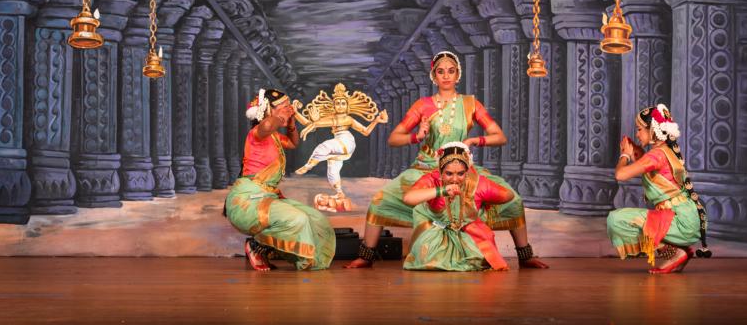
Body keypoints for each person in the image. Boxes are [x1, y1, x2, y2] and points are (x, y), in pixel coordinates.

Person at [345, 50, 547, 269]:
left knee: (513, 200)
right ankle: (366, 256)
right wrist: (417, 137)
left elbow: (499, 136)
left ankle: (525, 256)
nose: (446, 76)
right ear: (434, 76)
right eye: (440, 71)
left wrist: (474, 140)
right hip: (427, 168)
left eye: (451, 71)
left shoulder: (470, 104)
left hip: (460, 170)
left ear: (458, 74)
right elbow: (394, 139)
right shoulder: (423, 105)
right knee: (380, 201)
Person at [224, 88, 336, 271]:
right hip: (247, 202)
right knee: (297, 219)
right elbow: (267, 125)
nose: (289, 109)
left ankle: (264, 249)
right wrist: (280, 116)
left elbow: (293, 142)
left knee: (314, 219)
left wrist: (290, 123)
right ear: (268, 109)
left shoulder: (274, 136)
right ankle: (256, 246)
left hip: (266, 197)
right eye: (283, 106)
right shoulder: (257, 133)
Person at [607, 104, 712, 274]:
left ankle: (676, 253)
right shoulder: (665, 150)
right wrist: (635, 152)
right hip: (689, 218)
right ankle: (679, 252)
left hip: (681, 221)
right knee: (638, 220)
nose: (637, 134)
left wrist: (624, 155)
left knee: (616, 219)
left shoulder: (657, 155)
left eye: (639, 129)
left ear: (653, 130)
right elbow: (652, 172)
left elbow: (620, 175)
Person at [402, 142, 512, 271]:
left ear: (467, 172)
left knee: (479, 255)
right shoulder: (433, 180)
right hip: (436, 231)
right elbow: (408, 198)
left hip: (465, 232)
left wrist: (484, 204)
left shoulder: (476, 183)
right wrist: (442, 191)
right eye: (449, 174)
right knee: (429, 255)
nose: (455, 179)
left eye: (460, 174)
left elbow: (508, 195)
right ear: (440, 171)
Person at [292, 82, 388, 207]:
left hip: (346, 141)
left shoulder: (347, 118)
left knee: (324, 147)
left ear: (347, 106)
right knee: (332, 169)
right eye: (337, 103)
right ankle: (339, 192)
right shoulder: (331, 117)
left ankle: (308, 165)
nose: (340, 106)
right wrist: (295, 113)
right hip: (339, 145)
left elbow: (365, 131)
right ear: (333, 106)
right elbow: (308, 123)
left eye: (343, 103)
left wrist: (376, 120)